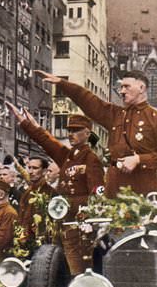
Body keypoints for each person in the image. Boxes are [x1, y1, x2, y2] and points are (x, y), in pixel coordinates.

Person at [35, 69, 157, 198]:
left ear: (141, 88)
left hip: (143, 191)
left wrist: (139, 159)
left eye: (127, 86)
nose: (122, 91)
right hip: (114, 190)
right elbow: (89, 101)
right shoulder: (115, 115)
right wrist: (62, 83)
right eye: (121, 87)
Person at [8, 103, 104, 274]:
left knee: (78, 271)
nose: (70, 134)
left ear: (87, 133)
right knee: (58, 269)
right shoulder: (68, 156)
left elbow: (97, 194)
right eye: (69, 130)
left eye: (75, 130)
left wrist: (87, 218)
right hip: (61, 223)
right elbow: (46, 141)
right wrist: (25, 123)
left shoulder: (91, 159)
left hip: (78, 225)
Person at [17, 156, 54, 243]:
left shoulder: (51, 193)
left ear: (44, 171)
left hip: (41, 242)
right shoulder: (27, 192)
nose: (30, 171)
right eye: (29, 168)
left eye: (35, 168)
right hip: (23, 240)